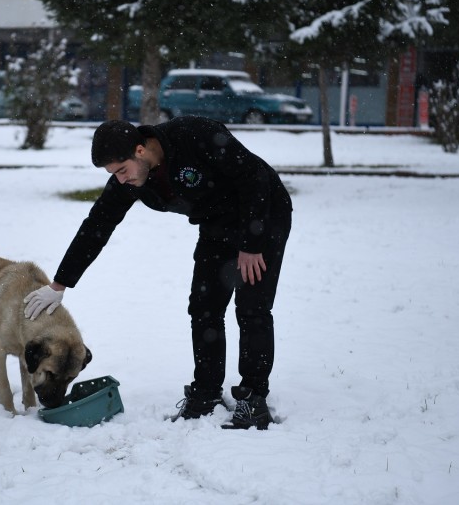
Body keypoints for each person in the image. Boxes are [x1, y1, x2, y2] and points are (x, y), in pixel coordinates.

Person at [23, 116, 292, 430]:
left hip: (264, 214)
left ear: (140, 150)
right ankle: (205, 393)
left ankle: (253, 399)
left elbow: (254, 178)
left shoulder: (196, 135)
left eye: (121, 170)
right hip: (217, 225)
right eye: (113, 174)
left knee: (252, 308)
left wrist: (252, 241)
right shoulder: (133, 177)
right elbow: (97, 225)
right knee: (204, 307)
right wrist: (60, 283)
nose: (120, 180)